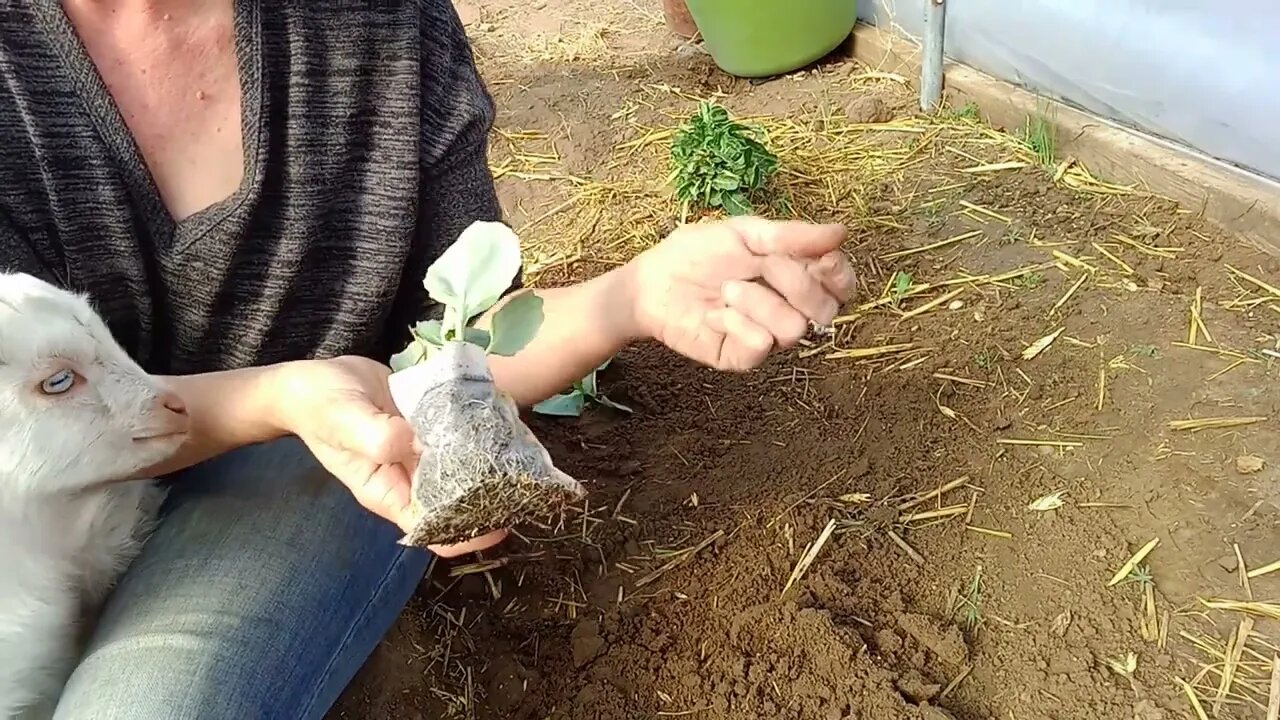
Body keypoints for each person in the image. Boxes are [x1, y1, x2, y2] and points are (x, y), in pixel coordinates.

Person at [0, 0, 855, 717]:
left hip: (316, 468)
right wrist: (277, 393)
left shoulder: (379, 23)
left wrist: (630, 296)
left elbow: (459, 351)